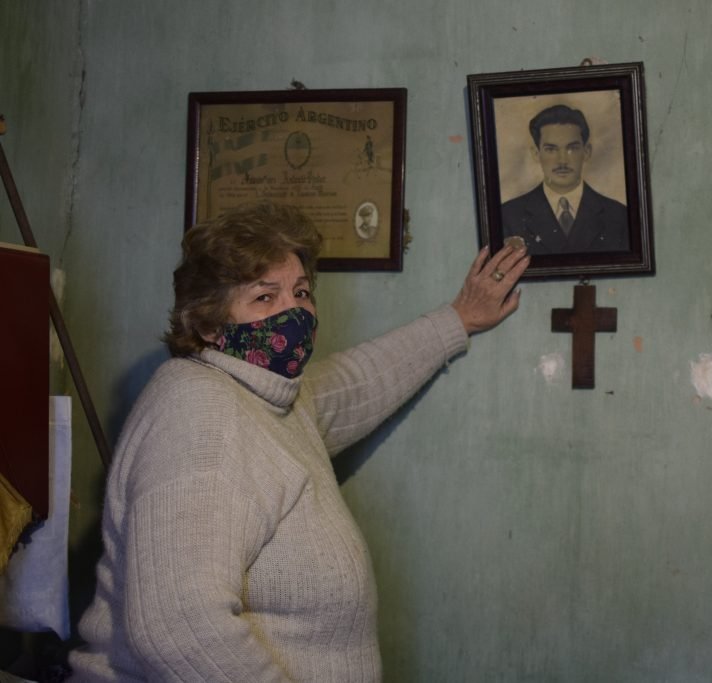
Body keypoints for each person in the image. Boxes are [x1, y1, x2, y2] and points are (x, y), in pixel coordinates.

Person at [68, 200, 529, 682]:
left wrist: (459, 319)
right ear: (207, 323)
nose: (294, 312)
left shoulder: (269, 398)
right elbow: (178, 625)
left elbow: (357, 385)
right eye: (265, 297)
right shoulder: (198, 410)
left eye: (302, 292)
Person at [500, 104, 629, 255]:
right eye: (551, 149)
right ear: (536, 153)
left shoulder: (618, 216)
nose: (562, 161)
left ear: (586, 152)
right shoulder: (508, 216)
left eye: (572, 148)